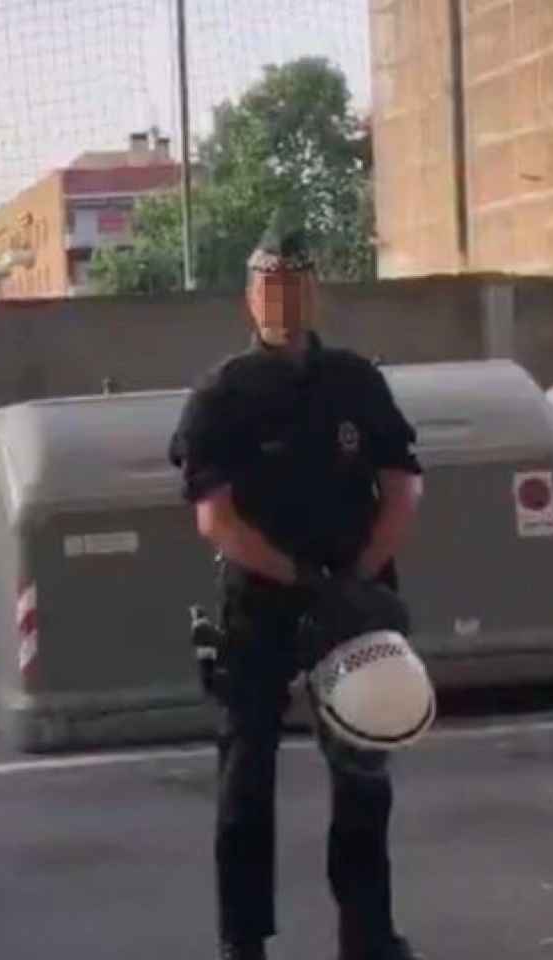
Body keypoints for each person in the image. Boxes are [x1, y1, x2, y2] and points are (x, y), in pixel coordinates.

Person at [169, 212, 426, 960]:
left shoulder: (356, 381)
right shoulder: (223, 394)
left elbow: (402, 486)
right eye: (268, 283)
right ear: (250, 296)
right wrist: (303, 580)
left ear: (315, 292)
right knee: (246, 780)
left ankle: (368, 939)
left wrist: (356, 578)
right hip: (261, 603)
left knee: (363, 777)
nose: (282, 296)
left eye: (295, 282)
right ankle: (242, 944)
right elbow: (215, 519)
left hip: (353, 600)